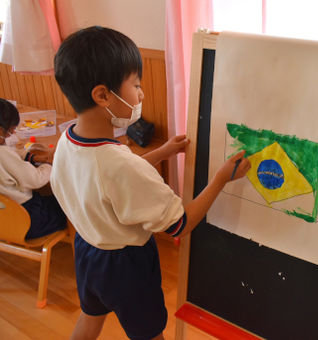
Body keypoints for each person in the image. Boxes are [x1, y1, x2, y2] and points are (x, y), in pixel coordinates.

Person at [51, 26, 250, 340]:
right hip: (126, 267)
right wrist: (220, 179)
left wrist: (162, 152)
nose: (141, 94)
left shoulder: (68, 141)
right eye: (136, 84)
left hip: (88, 251)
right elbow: (180, 224)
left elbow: (110, 185)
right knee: (149, 335)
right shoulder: (120, 164)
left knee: (90, 318)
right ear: (102, 95)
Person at [0, 98, 67, 239]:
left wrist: (33, 158)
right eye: (10, 132)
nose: (9, 137)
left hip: (4, 219)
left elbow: (10, 157)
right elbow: (35, 180)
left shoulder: (4, 153)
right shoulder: (3, 153)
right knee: (69, 206)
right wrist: (49, 165)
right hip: (27, 220)